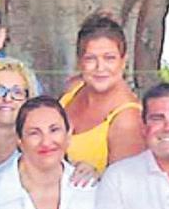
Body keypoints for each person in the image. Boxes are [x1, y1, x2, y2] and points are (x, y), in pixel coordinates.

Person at [61, 13, 143, 171]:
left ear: (123, 61)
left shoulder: (128, 119)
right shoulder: (73, 88)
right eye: (90, 58)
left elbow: (123, 187)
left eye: (109, 58)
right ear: (79, 62)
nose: (100, 68)